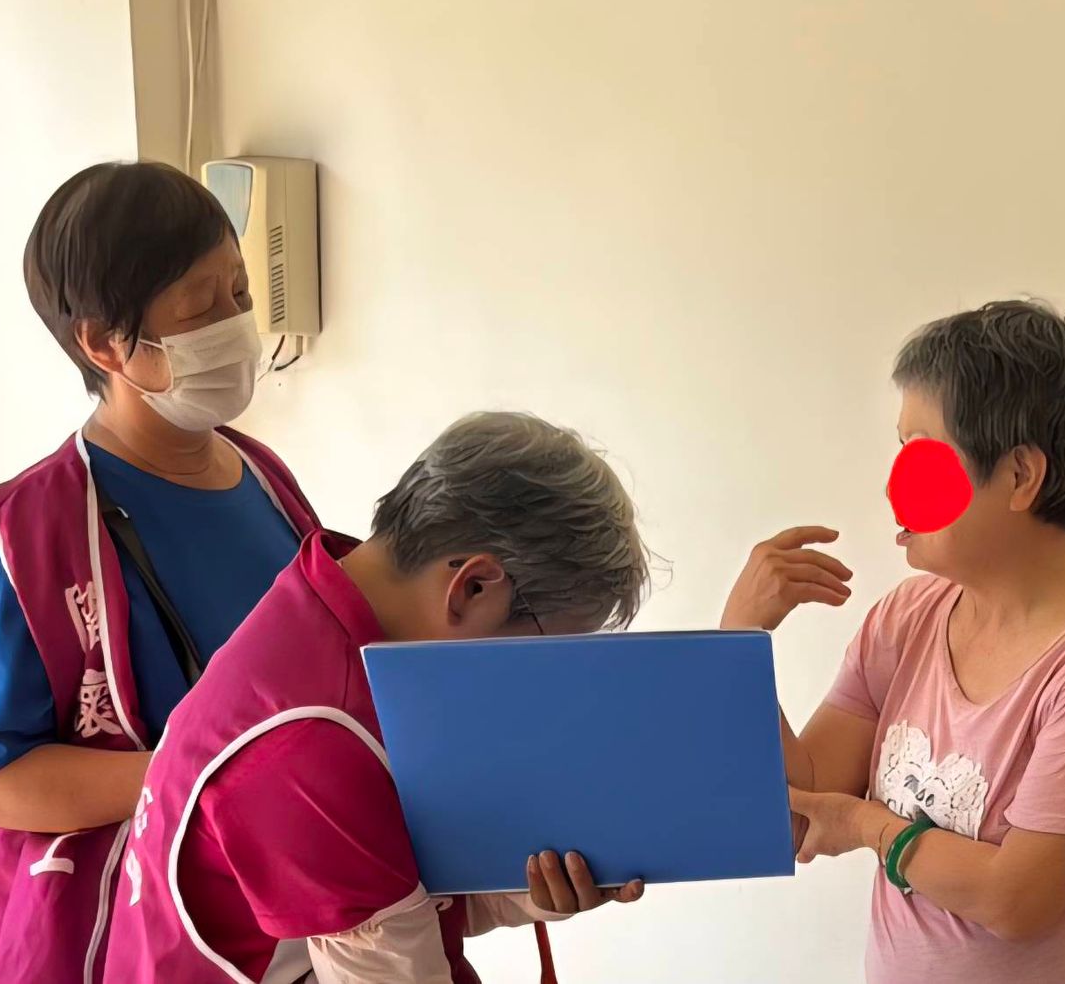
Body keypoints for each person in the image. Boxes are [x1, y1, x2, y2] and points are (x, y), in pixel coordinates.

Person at [722, 300, 1065, 983]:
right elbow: (802, 808)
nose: (893, 486)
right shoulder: (907, 616)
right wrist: (739, 646)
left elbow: (1014, 900)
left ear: (1020, 476)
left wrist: (865, 825)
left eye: (922, 456)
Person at [104, 412, 654, 983]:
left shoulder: (335, 606)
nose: (538, 687)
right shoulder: (309, 741)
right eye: (543, 652)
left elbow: (402, 887)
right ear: (472, 586)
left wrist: (529, 884)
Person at [0, 162, 319, 984]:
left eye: (240, 291)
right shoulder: (35, 531)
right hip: (150, 946)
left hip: (297, 931)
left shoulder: (265, 480)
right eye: (201, 306)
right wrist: (198, 772)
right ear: (104, 343)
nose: (236, 322)